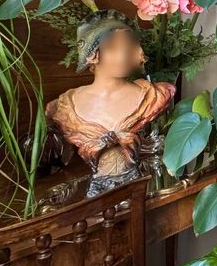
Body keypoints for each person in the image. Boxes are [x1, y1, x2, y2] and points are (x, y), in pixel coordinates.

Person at [46, 10, 175, 193]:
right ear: (92, 53)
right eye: (111, 48)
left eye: (127, 48)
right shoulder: (64, 107)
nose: (122, 56)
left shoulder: (154, 96)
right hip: (93, 195)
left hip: (144, 188)